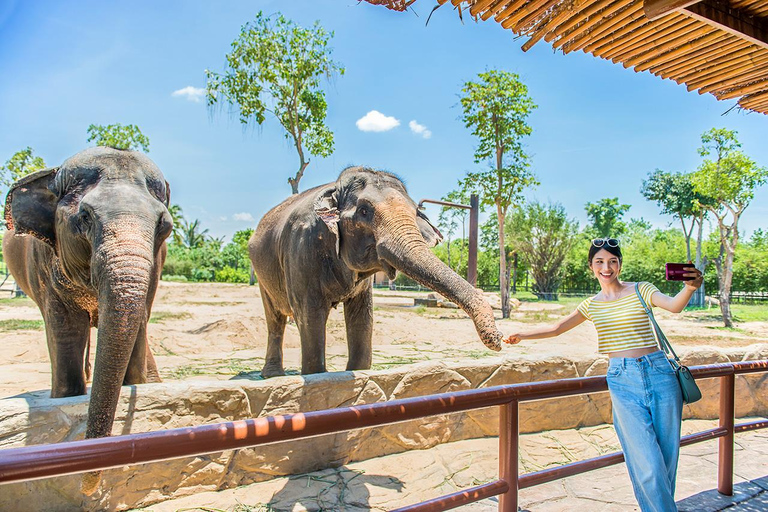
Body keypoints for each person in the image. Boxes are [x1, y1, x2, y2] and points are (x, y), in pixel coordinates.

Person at [506, 237, 703, 512]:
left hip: (660, 373)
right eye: (599, 262)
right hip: (623, 380)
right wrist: (521, 334)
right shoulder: (591, 305)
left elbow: (674, 305)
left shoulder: (641, 289)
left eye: (612, 261)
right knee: (646, 461)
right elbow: (556, 329)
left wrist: (690, 288)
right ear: (591, 266)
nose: (606, 267)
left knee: (666, 458)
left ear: (620, 264)